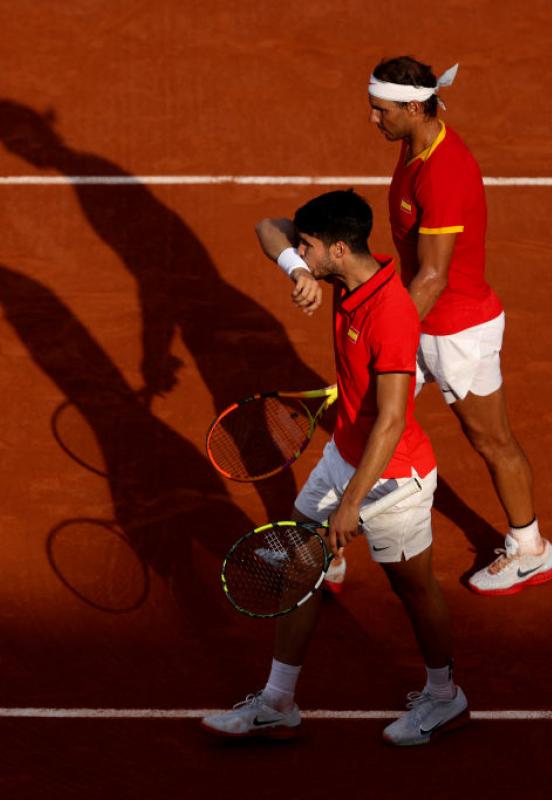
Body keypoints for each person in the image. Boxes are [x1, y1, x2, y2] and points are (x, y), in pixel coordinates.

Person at [200, 190, 467, 745]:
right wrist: (297, 269)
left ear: (339, 249)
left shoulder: (390, 314)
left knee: (413, 590)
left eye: (309, 248)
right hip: (343, 455)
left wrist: (351, 505)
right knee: (301, 567)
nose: (300, 251)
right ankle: (277, 702)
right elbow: (266, 226)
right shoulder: (344, 277)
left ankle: (445, 696)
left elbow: (392, 420)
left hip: (394, 480)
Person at [356, 55, 552, 596]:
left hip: (456, 332)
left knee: (491, 440)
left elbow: (435, 276)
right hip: (422, 317)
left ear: (414, 107)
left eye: (381, 111)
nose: (374, 120)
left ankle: (530, 548)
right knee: (367, 414)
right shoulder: (415, 141)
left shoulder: (443, 170)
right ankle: (329, 540)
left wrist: (386, 333)